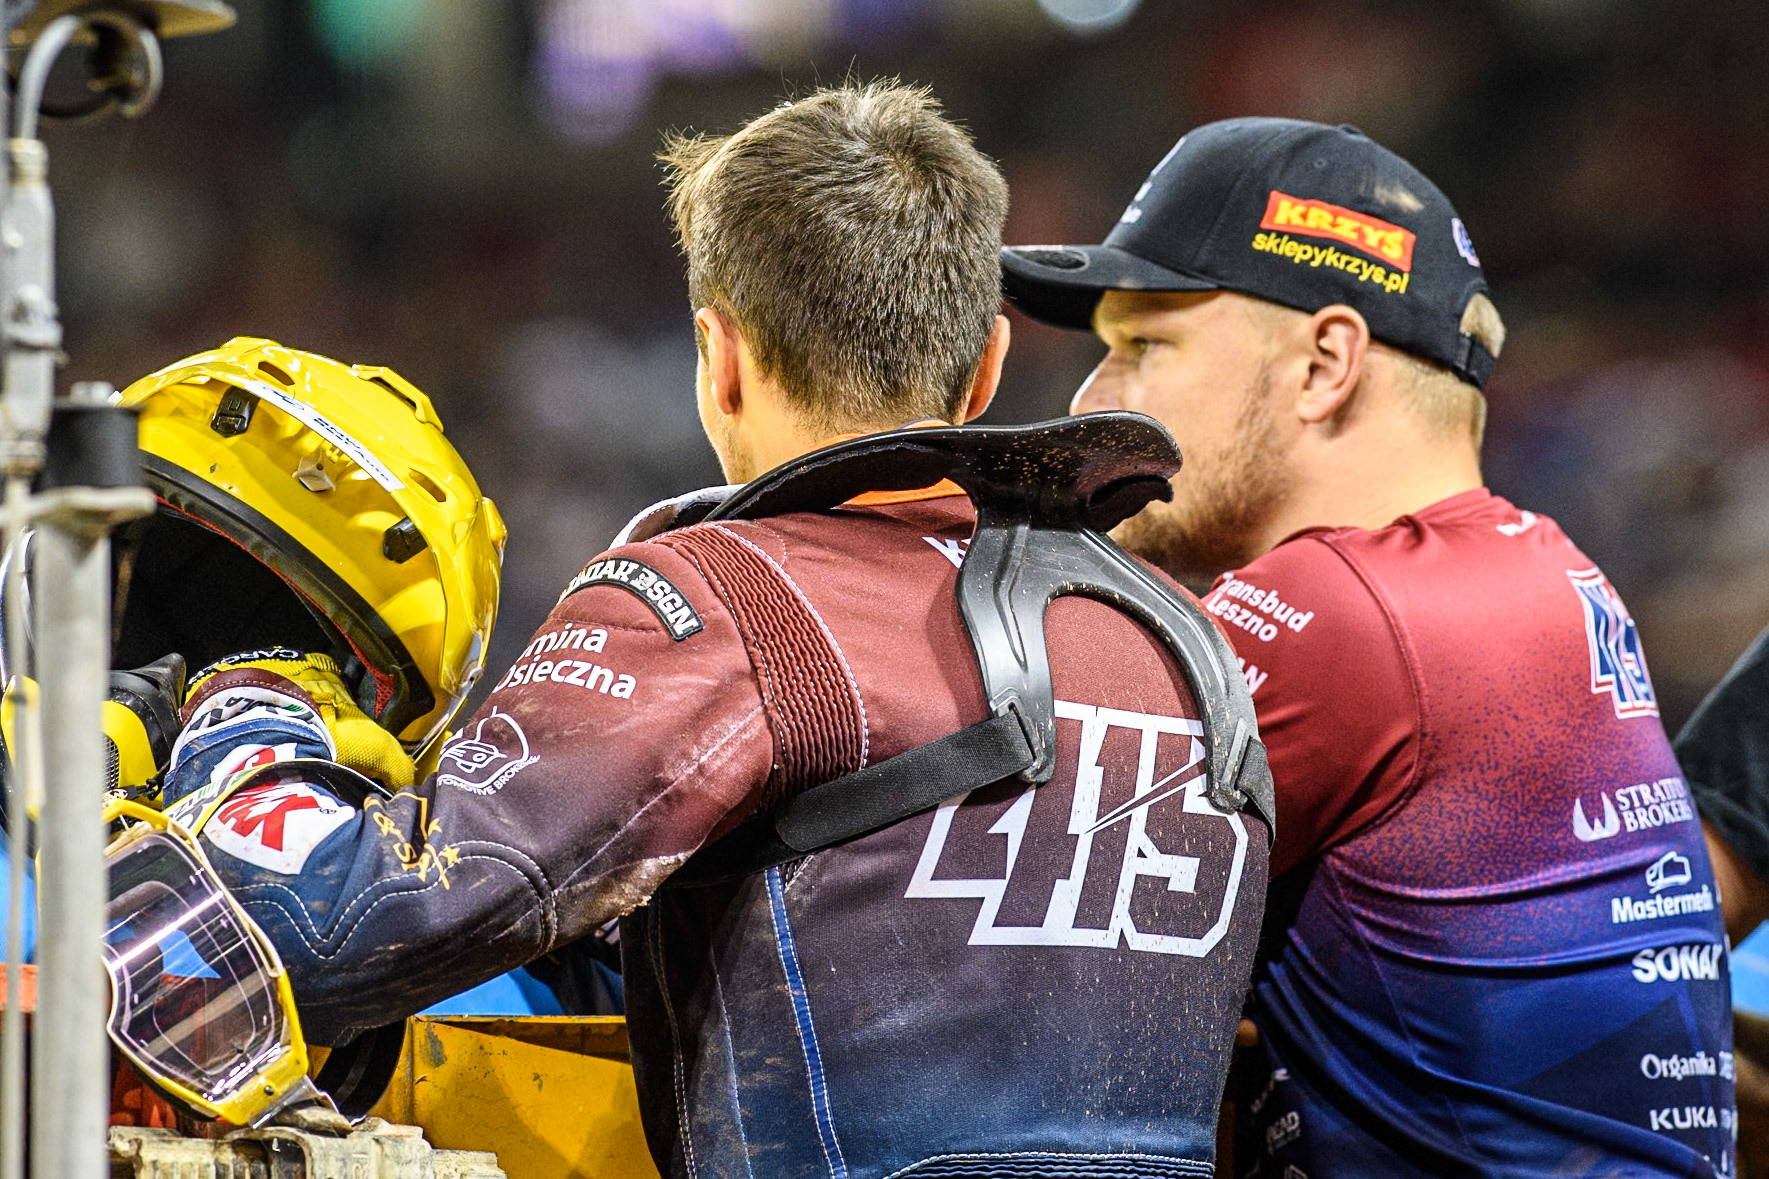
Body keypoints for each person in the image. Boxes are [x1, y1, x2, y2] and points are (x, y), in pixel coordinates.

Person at [152, 83, 1273, 1176]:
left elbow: (329, 928)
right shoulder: (1183, 637)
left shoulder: (724, 601)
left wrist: (255, 697)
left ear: (718, 355)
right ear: (985, 363)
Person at [1002, 118, 1734, 1177]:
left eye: (1143, 345)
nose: (1089, 400)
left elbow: (982, 944)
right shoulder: (1544, 566)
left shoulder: (1339, 609)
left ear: (1324, 362)